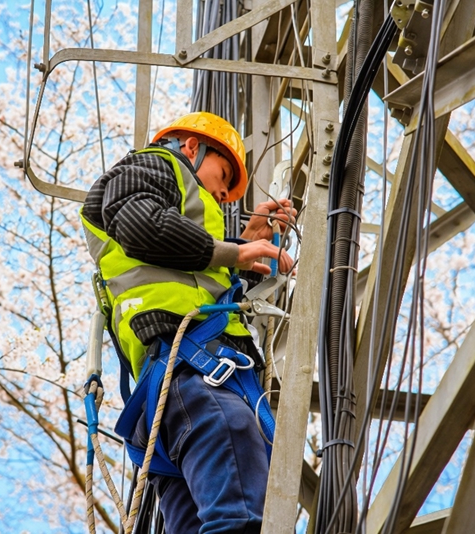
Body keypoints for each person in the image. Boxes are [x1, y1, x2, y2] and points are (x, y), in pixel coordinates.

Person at [80, 111, 295, 533]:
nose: (222, 193)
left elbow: (198, 279)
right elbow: (143, 226)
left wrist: (246, 247)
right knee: (241, 517)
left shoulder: (187, 218)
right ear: (192, 147)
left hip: (175, 399)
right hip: (192, 378)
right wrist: (233, 253)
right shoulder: (151, 166)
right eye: (222, 173)